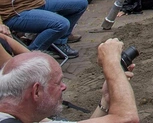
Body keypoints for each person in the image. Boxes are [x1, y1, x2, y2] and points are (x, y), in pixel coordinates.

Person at [0, 38, 139, 123]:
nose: (64, 87)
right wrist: (111, 63)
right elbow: (127, 119)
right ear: (36, 91)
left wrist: (106, 100)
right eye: (58, 82)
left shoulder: (25, 115)